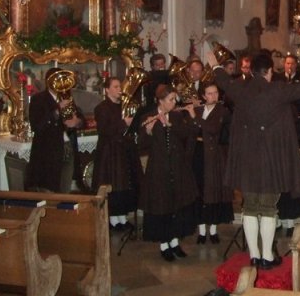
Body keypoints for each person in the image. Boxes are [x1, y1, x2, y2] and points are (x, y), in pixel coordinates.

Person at [207, 50, 300, 270]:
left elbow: (222, 79)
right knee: (269, 208)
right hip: (271, 160)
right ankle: (267, 258)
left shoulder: (240, 89)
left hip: (247, 161)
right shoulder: (278, 90)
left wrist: (214, 64)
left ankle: (254, 255)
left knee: (250, 207)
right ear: (269, 71)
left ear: (251, 71)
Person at [138, 84, 199, 262]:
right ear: (160, 101)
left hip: (177, 167)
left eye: (175, 99)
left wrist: (171, 125)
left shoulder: (177, 116)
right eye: (171, 100)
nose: (174, 102)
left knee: (176, 205)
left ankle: (174, 242)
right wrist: (148, 131)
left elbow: (188, 134)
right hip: (158, 169)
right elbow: (141, 144)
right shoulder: (148, 117)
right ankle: (164, 245)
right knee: (162, 205)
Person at [92, 77, 141, 230]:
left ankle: (122, 217)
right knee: (114, 184)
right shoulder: (101, 108)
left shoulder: (122, 106)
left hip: (123, 149)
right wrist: (123, 123)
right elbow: (104, 130)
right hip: (110, 152)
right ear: (107, 90)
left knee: (124, 184)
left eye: (119, 86)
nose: (119, 89)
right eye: (115, 86)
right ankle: (113, 219)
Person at [27, 68, 84, 193]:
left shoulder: (67, 96)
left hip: (67, 147)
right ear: (49, 82)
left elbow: (80, 118)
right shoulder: (38, 99)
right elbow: (37, 125)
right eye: (58, 80)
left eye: (63, 80)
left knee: (65, 186)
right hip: (48, 151)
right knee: (50, 188)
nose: (62, 84)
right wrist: (57, 109)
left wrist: (77, 122)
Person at [193, 82, 233, 244]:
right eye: (209, 93)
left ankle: (214, 230)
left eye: (215, 93)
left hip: (216, 156)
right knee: (201, 190)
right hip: (199, 154)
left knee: (214, 190)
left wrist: (195, 118)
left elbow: (213, 128)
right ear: (203, 96)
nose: (213, 96)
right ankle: (202, 232)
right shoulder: (197, 110)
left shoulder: (223, 111)